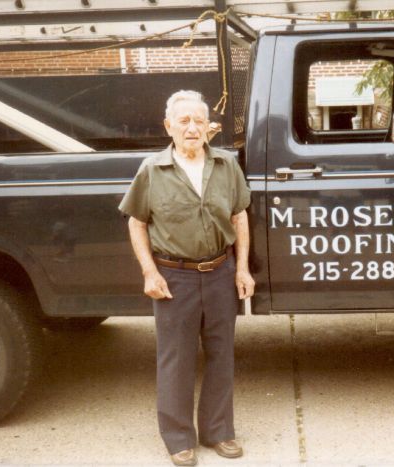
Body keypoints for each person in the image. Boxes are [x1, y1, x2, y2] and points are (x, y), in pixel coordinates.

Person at [118, 90, 255, 466]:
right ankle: (178, 437)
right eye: (184, 121)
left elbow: (239, 217)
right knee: (176, 360)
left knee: (221, 355)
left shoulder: (226, 165)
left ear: (208, 127)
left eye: (199, 121)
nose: (192, 128)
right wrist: (149, 272)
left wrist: (241, 268)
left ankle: (218, 431)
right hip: (173, 278)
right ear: (169, 127)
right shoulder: (152, 169)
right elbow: (137, 222)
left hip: (220, 273)